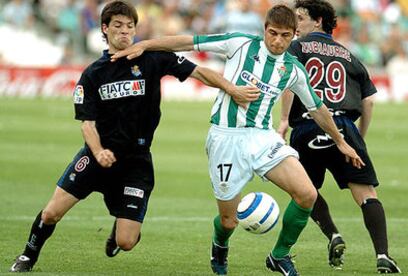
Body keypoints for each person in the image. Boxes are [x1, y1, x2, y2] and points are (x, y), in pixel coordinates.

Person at [111, 4, 365, 276]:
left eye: (285, 36)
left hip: (263, 138)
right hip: (226, 138)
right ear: (264, 30)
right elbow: (189, 42)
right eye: (273, 33)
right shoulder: (239, 43)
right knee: (229, 221)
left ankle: (279, 256)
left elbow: (317, 108)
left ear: (294, 36)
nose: (278, 41)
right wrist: (145, 45)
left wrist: (340, 141)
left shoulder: (293, 69)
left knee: (307, 195)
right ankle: (220, 244)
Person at [9, 1, 261, 273]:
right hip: (97, 157)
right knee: (51, 213)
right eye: (117, 26)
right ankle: (27, 256)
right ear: (104, 29)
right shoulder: (93, 74)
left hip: (136, 163)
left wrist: (232, 89)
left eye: (130, 26)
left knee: (126, 242)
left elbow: (200, 72)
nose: (125, 31)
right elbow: (87, 124)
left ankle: (119, 227)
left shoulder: (153, 58)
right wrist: (98, 151)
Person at [277, 0, 401, 274]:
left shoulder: (297, 47)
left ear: (318, 21)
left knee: (304, 191)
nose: (295, 26)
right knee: (367, 195)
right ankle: (383, 255)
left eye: (300, 18)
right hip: (345, 128)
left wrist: (284, 119)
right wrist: (360, 138)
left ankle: (332, 234)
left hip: (307, 127)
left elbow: (289, 81)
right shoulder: (349, 55)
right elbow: (369, 101)